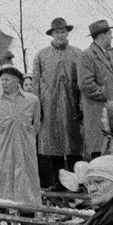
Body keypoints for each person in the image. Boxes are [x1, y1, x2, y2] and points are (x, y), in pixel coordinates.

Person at [0, 64, 41, 225]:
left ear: (17, 81)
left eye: (7, 79)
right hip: (2, 153)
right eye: (2, 79)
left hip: (25, 153)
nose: (3, 83)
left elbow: (36, 125)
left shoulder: (32, 101)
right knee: (0, 186)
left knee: (26, 189)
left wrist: (25, 142)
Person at [31, 17, 84, 189]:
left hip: (72, 106)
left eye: (63, 31)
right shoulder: (41, 55)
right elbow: (36, 83)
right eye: (57, 32)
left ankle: (78, 185)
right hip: (50, 107)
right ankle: (58, 185)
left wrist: (81, 106)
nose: (60, 35)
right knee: (53, 147)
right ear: (52, 34)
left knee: (75, 146)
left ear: (67, 32)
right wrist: (37, 108)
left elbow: (82, 83)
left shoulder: (77, 54)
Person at [78, 19, 113, 159]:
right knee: (101, 154)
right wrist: (105, 94)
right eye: (109, 33)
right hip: (99, 114)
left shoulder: (108, 54)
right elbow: (85, 83)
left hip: (112, 115)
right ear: (102, 35)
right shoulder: (87, 55)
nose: (111, 37)